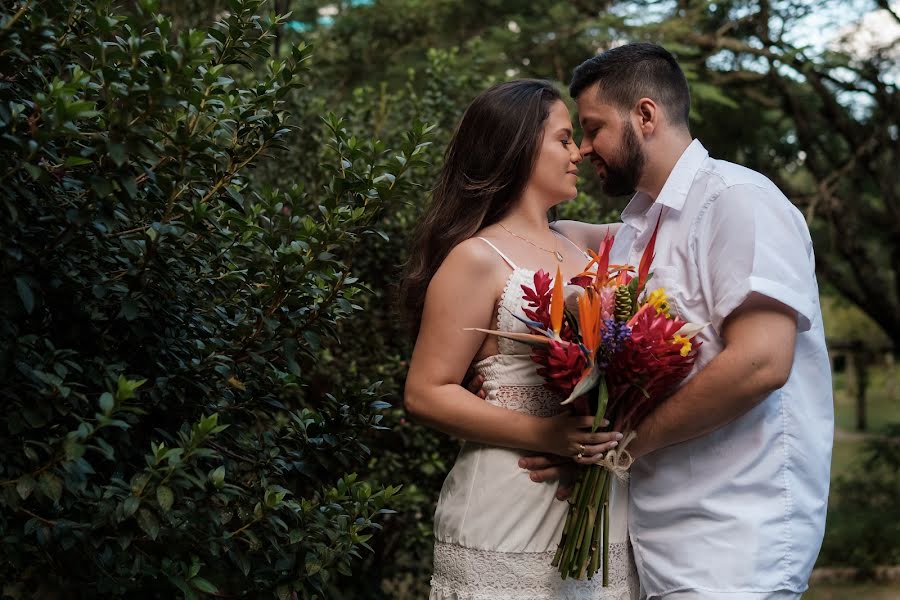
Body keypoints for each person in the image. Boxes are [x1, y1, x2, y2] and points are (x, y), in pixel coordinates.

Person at [520, 43, 832, 600]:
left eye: (593, 128)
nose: (585, 147)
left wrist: (624, 445)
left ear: (645, 115)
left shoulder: (739, 200)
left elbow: (761, 362)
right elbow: (550, 238)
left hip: (733, 537)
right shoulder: (640, 226)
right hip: (651, 536)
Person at [401, 79, 639, 599]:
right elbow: (425, 392)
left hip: (598, 509)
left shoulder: (583, 248)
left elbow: (667, 225)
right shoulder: (476, 257)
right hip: (509, 499)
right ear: (518, 146)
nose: (578, 152)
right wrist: (550, 437)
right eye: (562, 138)